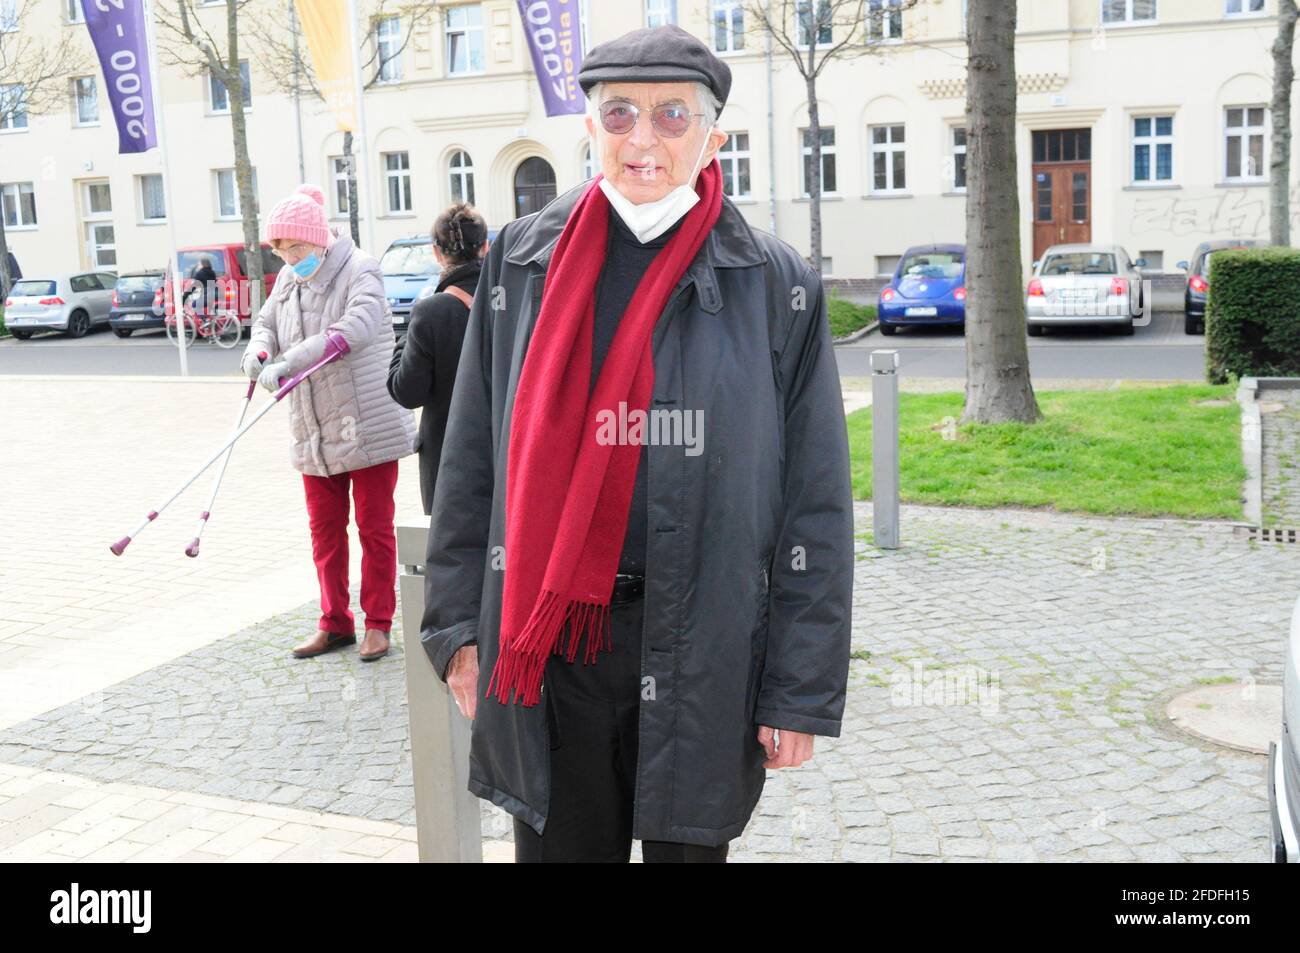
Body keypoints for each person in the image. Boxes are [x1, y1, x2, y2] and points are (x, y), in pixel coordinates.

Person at [419, 25, 853, 863]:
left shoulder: (773, 283)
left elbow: (817, 499)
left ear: (713, 137)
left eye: (671, 116)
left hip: (706, 642)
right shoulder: (521, 260)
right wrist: (456, 630)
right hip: (546, 644)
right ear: (590, 129)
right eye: (618, 114)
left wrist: (798, 690)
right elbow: (471, 453)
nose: (642, 139)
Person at [241, 183, 416, 662]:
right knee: (324, 532)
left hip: (367, 425)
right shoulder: (288, 280)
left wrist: (290, 361)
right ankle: (334, 621)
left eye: (294, 248)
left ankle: (378, 623)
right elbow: (267, 323)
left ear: (317, 239)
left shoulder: (362, 269)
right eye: (280, 251)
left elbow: (353, 330)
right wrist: (259, 349)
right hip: (313, 429)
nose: (288, 259)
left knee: (374, 529)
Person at [386, 204, 490, 516]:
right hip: (506, 453)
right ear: (485, 247)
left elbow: (406, 392)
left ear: (436, 252)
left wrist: (406, 335)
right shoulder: (512, 302)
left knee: (453, 554)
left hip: (448, 459)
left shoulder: (431, 312)